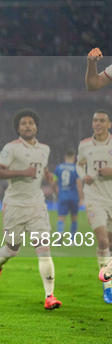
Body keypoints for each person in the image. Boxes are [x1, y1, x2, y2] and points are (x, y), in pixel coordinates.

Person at [0, 109, 61, 310]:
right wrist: (23, 172)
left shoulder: (44, 149)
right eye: (23, 123)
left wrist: (51, 179)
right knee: (12, 249)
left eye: (31, 122)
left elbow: (43, 170)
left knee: (44, 250)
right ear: (18, 128)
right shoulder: (11, 148)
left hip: (37, 205)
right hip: (14, 204)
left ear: (36, 126)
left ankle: (50, 296)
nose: (28, 126)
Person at [76, 111, 112, 303]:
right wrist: (83, 176)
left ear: (109, 124)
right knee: (103, 240)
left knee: (111, 243)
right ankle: (107, 287)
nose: (97, 123)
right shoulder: (85, 145)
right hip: (94, 198)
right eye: (95, 120)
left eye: (102, 121)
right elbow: (79, 164)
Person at [51, 150, 83, 242]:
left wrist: (55, 191)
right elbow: (79, 183)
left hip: (63, 195)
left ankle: (60, 234)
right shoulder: (76, 168)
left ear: (65, 157)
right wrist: (81, 198)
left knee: (61, 217)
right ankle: (72, 240)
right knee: (74, 218)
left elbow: (53, 182)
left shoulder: (59, 167)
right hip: (74, 196)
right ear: (74, 157)